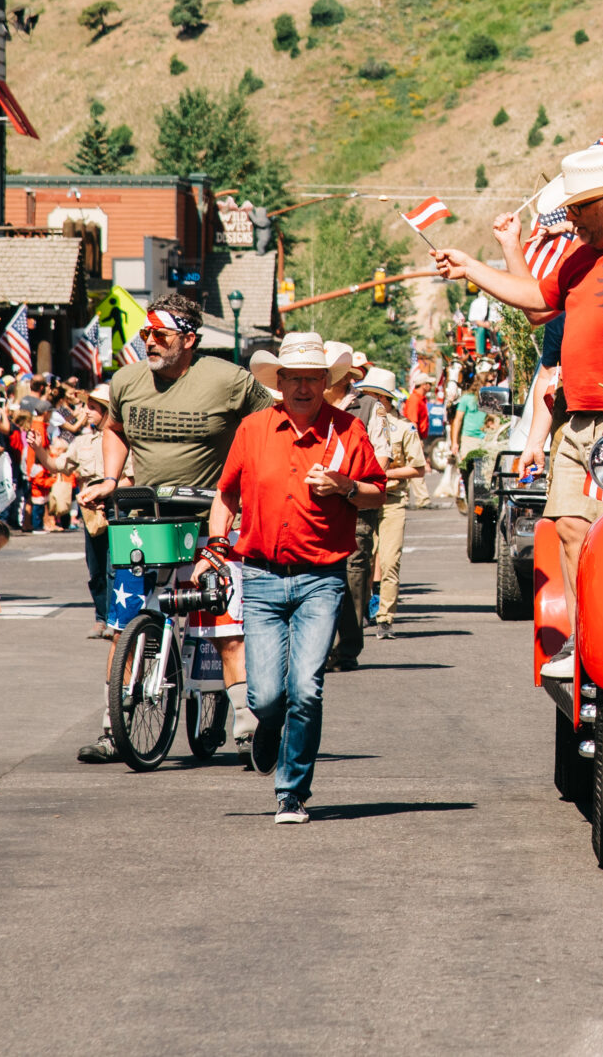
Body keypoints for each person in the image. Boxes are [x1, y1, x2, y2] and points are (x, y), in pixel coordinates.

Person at [433, 145, 603, 680]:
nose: (570, 218)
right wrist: (472, 266)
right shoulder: (578, 258)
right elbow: (535, 301)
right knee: (570, 526)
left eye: (579, 208)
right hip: (576, 418)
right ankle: (586, 641)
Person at [195, 333, 387, 823]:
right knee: (265, 695)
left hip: (321, 578)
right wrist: (215, 547)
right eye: (294, 378)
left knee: (306, 688)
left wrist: (345, 486)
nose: (303, 387)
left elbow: (377, 493)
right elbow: (226, 495)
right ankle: (266, 726)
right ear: (278, 382)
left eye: (313, 378)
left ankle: (291, 790)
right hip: (259, 577)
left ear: (327, 382)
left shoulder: (348, 431)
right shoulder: (253, 429)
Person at [85, 297, 273, 762]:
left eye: (161, 335)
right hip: (145, 522)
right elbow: (114, 427)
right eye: (146, 334)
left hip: (212, 519)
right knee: (124, 623)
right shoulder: (127, 380)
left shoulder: (228, 379)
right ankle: (115, 727)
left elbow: (270, 424)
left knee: (226, 627)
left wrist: (252, 479)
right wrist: (111, 478)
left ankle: (247, 728)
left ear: (188, 339)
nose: (150, 341)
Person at [343, 366, 427, 650]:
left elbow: (418, 468)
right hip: (363, 501)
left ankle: (385, 618)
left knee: (390, 560)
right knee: (360, 561)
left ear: (389, 399)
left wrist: (383, 475)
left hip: (391, 502)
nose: (372, 401)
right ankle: (362, 609)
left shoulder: (404, 428)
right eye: (368, 394)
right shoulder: (358, 423)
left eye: (378, 396)